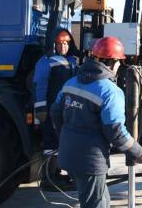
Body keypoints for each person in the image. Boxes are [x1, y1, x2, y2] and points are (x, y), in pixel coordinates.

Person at [51, 36, 142, 208]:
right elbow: (116, 132)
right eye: (120, 62)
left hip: (69, 155)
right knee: (95, 204)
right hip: (90, 161)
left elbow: (55, 112)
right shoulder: (110, 92)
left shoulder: (71, 82)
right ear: (112, 62)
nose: (120, 66)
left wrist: (68, 137)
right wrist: (139, 152)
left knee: (102, 200)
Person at [33, 28, 79, 189]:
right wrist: (40, 109)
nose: (63, 46)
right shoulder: (46, 61)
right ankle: (49, 177)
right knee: (51, 142)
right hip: (52, 109)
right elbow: (40, 85)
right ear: (53, 44)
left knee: (62, 142)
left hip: (67, 110)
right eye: (59, 43)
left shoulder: (73, 61)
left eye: (66, 43)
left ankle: (58, 174)